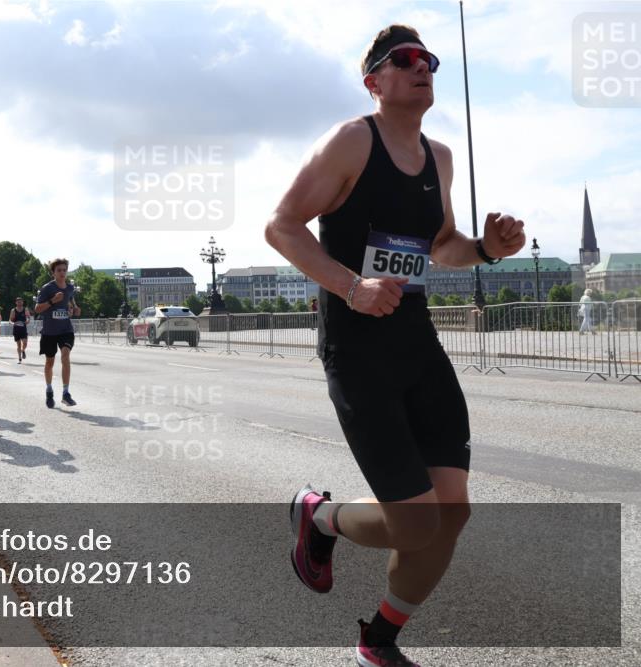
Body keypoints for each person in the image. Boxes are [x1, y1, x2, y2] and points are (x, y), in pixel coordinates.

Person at [264, 24, 526, 667]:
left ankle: (378, 639)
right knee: (414, 523)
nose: (421, 67)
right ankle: (319, 519)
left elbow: (442, 246)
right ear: (373, 81)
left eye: (428, 59)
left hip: (417, 342)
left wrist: (489, 250)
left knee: (452, 513)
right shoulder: (352, 141)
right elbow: (282, 226)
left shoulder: (440, 157)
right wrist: (351, 287)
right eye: (403, 60)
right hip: (357, 349)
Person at [34, 258, 81, 408]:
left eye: (64, 270)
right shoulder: (47, 288)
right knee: (50, 362)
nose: (62, 273)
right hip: (49, 331)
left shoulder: (70, 288)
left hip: (65, 330)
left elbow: (71, 303)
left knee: (65, 356)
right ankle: (49, 390)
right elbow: (37, 309)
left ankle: (66, 393)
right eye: (59, 270)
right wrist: (52, 301)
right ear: (53, 272)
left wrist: (75, 309)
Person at [10, 296, 29, 363]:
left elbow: (28, 318)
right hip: (16, 329)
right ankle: (20, 359)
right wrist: (13, 324)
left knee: (25, 343)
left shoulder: (25, 309)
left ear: (23, 302)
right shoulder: (13, 310)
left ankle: (23, 350)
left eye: (21, 301)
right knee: (18, 344)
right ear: (16, 303)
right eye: (18, 302)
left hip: (23, 328)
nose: (19, 303)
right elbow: (10, 320)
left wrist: (27, 321)